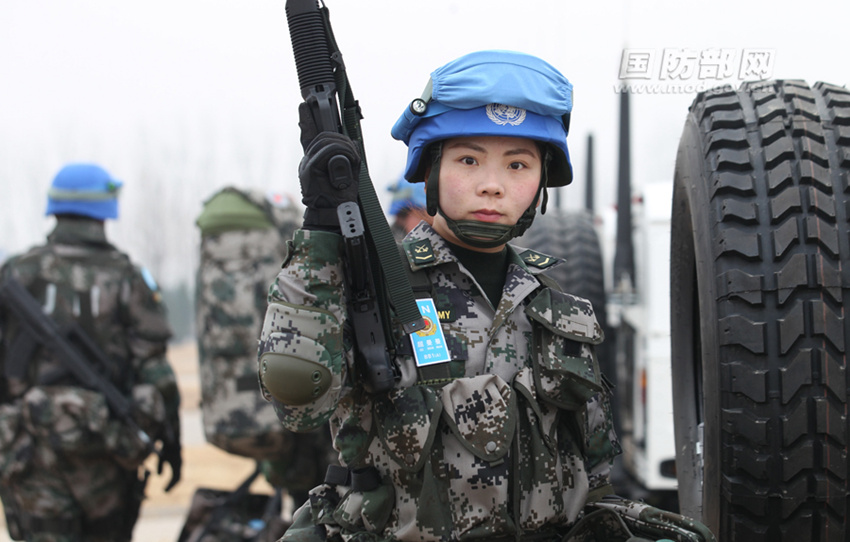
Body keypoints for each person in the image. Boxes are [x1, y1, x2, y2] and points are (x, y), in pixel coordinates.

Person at [258, 50, 709, 542]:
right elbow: (296, 399)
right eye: (468, 160)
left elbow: (593, 481)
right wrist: (321, 236)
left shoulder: (561, 313)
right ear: (429, 169)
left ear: (540, 183)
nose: (492, 185)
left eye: (518, 164)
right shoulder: (375, 290)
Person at [0, 163, 182, 542]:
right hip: (106, 455)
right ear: (105, 207)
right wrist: (172, 441)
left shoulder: (16, 272)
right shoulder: (127, 277)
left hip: (31, 456)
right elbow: (157, 372)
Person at [193, 187, 334, 519]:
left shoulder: (218, 264)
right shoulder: (288, 256)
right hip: (314, 428)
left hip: (267, 417)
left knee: (300, 503)